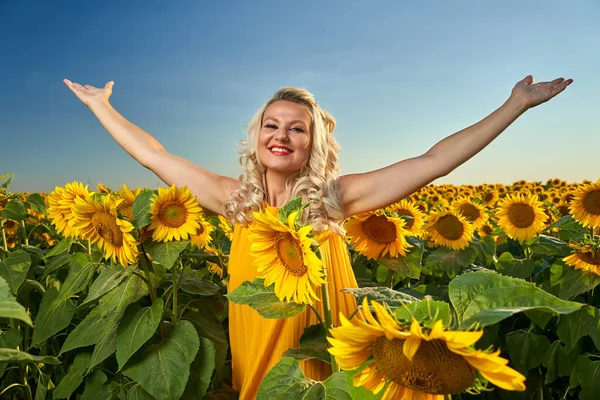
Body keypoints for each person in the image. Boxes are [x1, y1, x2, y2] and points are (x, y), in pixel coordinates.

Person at [63, 75, 572, 399]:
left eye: (297, 129)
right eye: (271, 125)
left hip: (325, 357)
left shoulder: (335, 198)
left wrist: (515, 105)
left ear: (314, 144)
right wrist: (101, 107)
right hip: (257, 353)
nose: (281, 135)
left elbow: (433, 162)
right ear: (257, 137)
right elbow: (155, 156)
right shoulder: (233, 200)